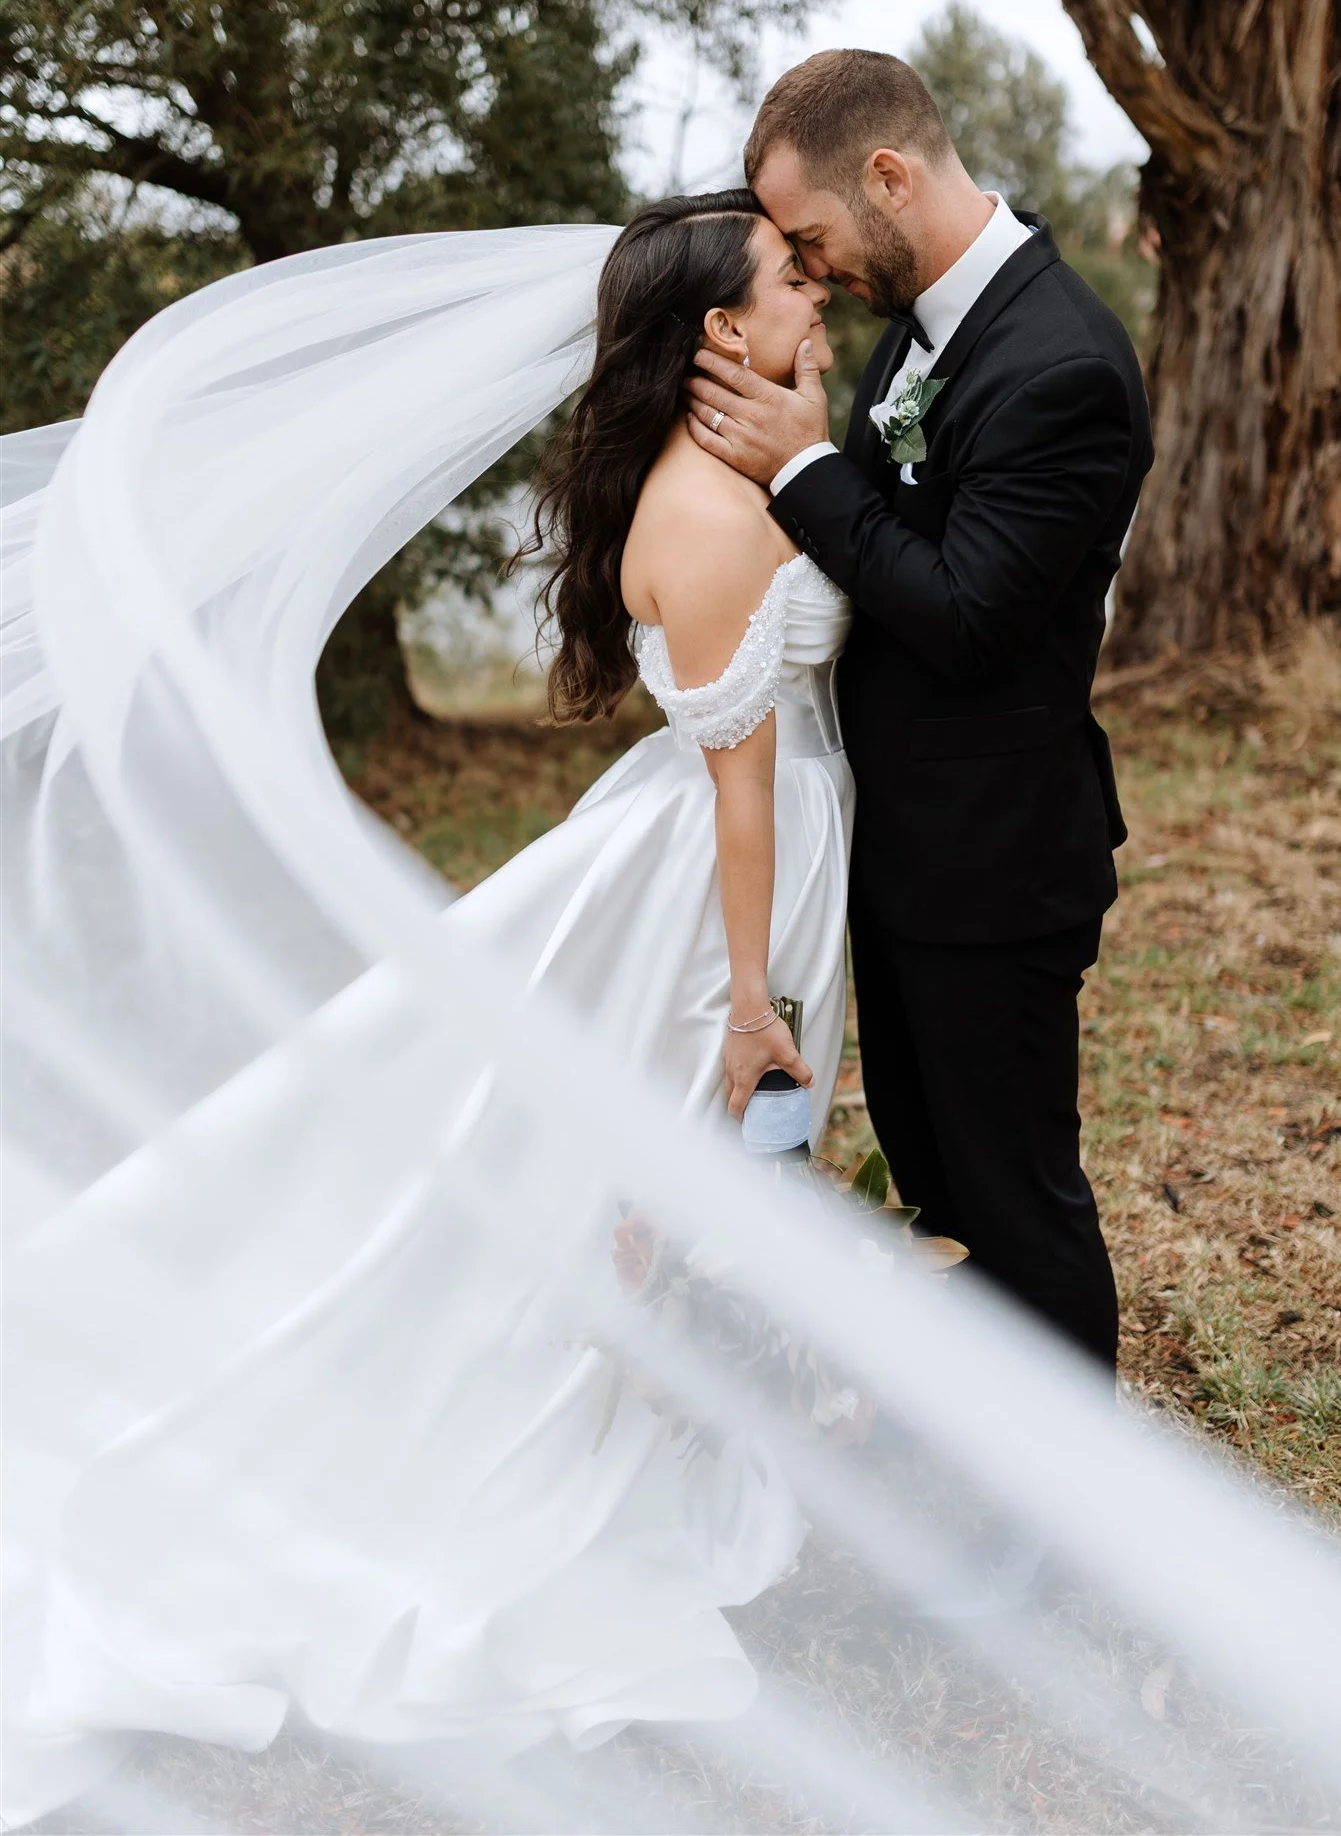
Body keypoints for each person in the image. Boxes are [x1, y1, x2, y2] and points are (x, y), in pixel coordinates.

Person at [1, 192, 857, 1824]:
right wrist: (753, 999)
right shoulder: (710, 513)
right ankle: (570, 1472)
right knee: (667, 1157)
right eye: (789, 280)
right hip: (714, 888)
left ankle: (657, 1433)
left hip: (724, 851)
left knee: (656, 1175)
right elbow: (744, 787)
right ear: (715, 337)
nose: (816, 297)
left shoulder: (739, 472)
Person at [686, 49, 1153, 1378]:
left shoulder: (1061, 363)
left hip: (994, 869)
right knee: (944, 1196)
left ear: (888, 176)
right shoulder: (927, 323)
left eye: (816, 238)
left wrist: (805, 467)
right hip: (903, 856)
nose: (814, 271)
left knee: (1019, 1209)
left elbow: (963, 615)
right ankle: (978, 1458)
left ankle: (1062, 1525)